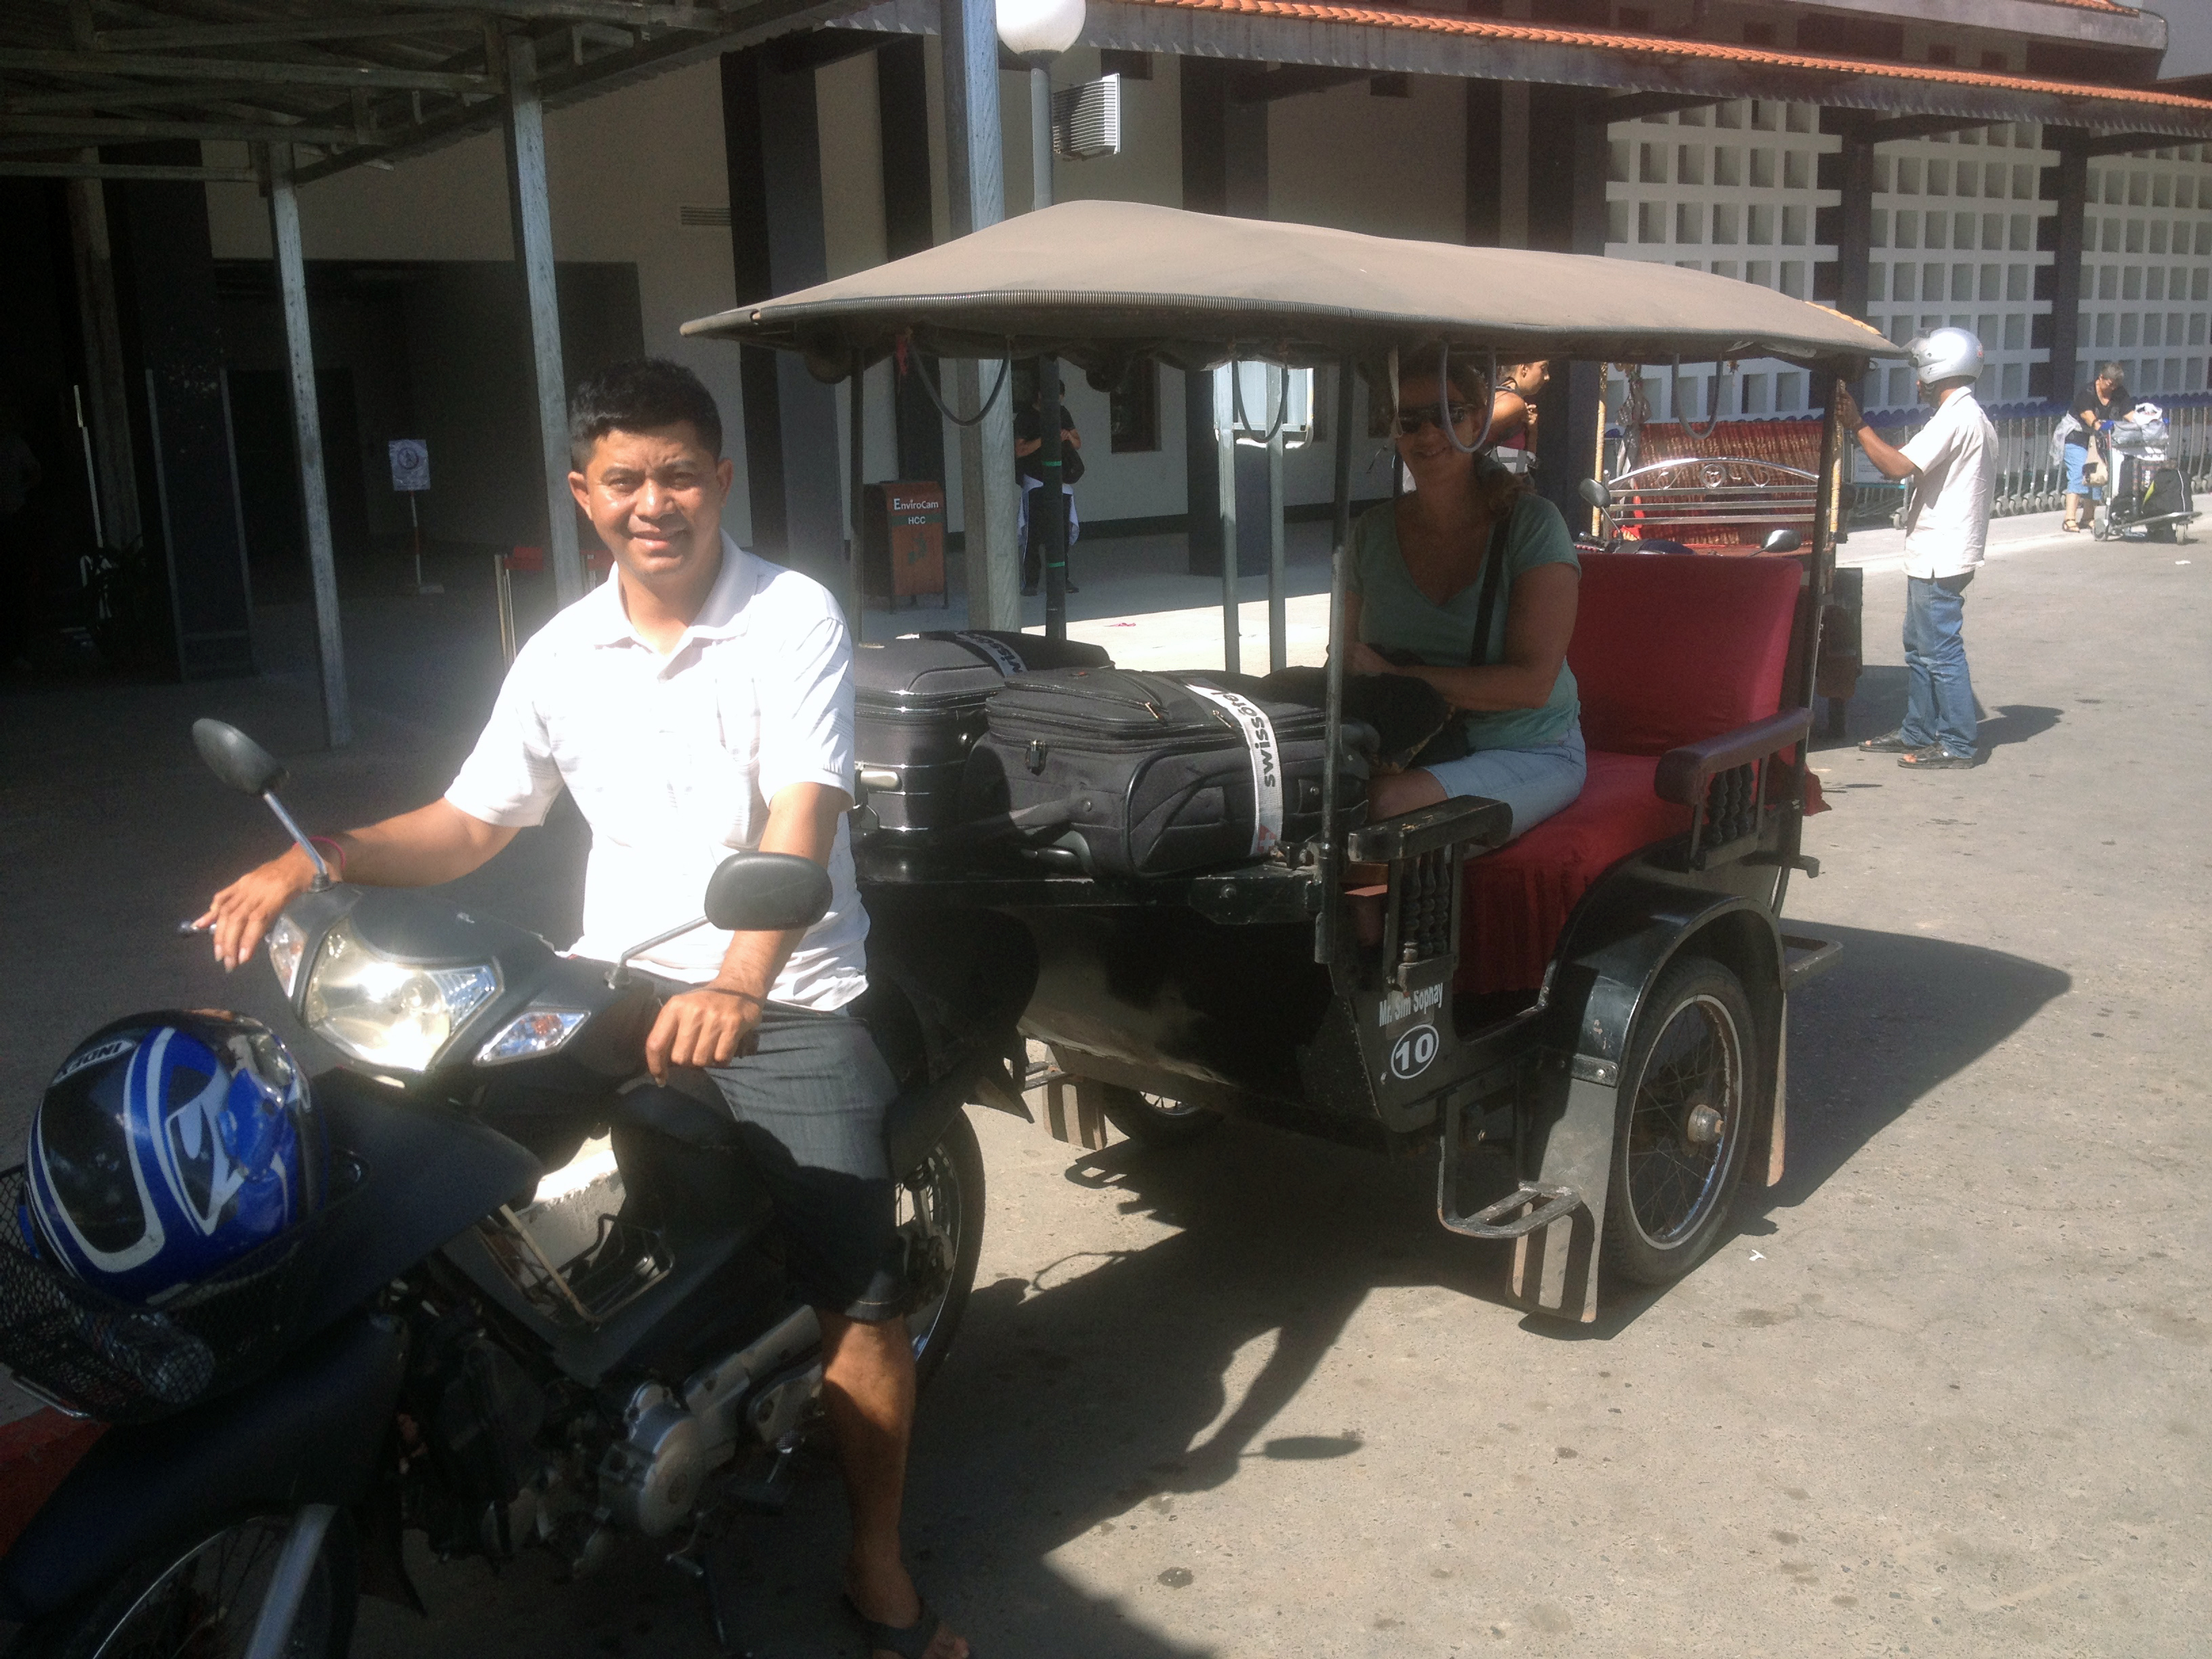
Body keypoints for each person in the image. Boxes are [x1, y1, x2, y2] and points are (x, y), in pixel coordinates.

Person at [197, 359, 970, 1659]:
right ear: (582, 493)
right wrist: (314, 857)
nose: (652, 500)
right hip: (605, 976)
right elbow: (467, 822)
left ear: (719, 478)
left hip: (782, 989)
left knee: (862, 1290)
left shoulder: (791, 616)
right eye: (623, 478)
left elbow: (804, 808)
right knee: (417, 1154)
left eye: (677, 472)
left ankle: (877, 1563)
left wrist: (741, 974)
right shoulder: (561, 648)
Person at [1343, 356, 1585, 833]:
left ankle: (1362, 910)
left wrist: (1399, 678)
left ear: (1478, 421)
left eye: (1448, 415)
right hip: (1403, 748)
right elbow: (1348, 657)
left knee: (1383, 805)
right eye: (1408, 421)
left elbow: (1532, 685)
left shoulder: (1532, 525)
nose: (1428, 433)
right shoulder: (1370, 533)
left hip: (1525, 748)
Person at [1835, 327, 1996, 771]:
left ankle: (1958, 743)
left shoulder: (1956, 417)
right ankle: (1919, 730)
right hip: (1939, 549)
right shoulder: (1968, 415)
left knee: (1940, 652)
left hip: (1941, 553)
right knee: (1920, 649)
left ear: (1935, 369)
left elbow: (1895, 466)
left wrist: (1857, 425)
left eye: (1920, 372)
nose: (1917, 383)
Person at [1015, 381, 1082, 596]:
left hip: (1060, 480)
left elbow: (1078, 442)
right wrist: (1046, 438)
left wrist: (1067, 436)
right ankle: (1031, 581)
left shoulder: (1063, 413)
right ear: (1040, 395)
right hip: (1035, 480)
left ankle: (1062, 580)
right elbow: (1021, 450)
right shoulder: (1026, 416)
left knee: (1061, 534)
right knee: (1033, 535)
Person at [2063, 361, 2129, 533]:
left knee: (2098, 475)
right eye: (2110, 384)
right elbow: (2087, 416)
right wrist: (2100, 427)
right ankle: (2069, 519)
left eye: (2116, 385)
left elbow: (2129, 413)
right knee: (2078, 473)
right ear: (2101, 378)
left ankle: (2088, 518)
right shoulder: (2087, 392)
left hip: (2100, 440)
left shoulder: (2119, 392)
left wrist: (2145, 423)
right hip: (2077, 437)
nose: (2113, 388)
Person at [1484, 360, 1549, 461]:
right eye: (1543, 369)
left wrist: (1532, 433)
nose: (1547, 377)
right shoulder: (1513, 403)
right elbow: (1473, 432)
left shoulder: (1506, 397)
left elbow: (1527, 463)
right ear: (1524, 369)